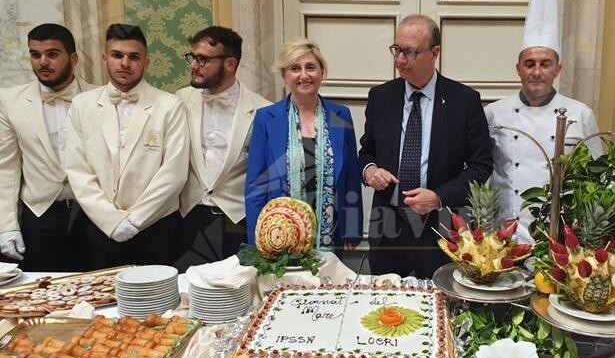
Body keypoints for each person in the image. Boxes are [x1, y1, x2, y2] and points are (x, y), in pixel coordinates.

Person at [358, 15, 493, 279]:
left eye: (410, 52)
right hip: (388, 228)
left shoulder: (464, 101)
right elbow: (366, 152)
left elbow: (481, 166)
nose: (399, 60)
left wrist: (439, 197)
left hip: (440, 230)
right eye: (396, 50)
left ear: (435, 53)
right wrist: (370, 171)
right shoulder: (381, 97)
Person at [66, 24, 190, 269]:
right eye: (117, 55)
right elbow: (78, 169)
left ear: (146, 62)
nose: (125, 63)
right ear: (105, 59)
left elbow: (174, 172)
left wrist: (136, 220)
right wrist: (110, 219)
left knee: (157, 303)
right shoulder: (82, 105)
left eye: (133, 57)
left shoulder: (169, 105)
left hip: (157, 227)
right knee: (103, 300)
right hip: (99, 226)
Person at [485, 0, 602, 243]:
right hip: (503, 232)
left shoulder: (580, 114)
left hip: (558, 234)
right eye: (529, 64)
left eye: (545, 64)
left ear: (557, 69)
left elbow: (597, 177)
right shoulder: (493, 113)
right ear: (518, 69)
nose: (536, 72)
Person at [245, 39, 362, 256]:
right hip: (278, 237)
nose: (304, 75)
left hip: (331, 235)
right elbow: (256, 185)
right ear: (284, 75)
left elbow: (351, 178)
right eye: (295, 68)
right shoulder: (266, 119)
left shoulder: (341, 115)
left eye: (310, 67)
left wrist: (353, 230)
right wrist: (256, 241)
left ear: (322, 72)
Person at [0, 23, 96, 271]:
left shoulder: (100, 97)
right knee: (44, 295)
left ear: (73, 58)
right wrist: (6, 225)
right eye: (35, 54)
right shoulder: (10, 101)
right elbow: (6, 168)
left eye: (52, 54)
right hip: (40, 214)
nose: (42, 62)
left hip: (95, 212)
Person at [174, 26, 271, 271]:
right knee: (190, 298)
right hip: (188, 218)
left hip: (237, 220)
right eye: (193, 57)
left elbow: (267, 174)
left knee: (239, 298)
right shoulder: (179, 101)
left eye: (203, 59)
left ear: (230, 64)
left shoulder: (263, 110)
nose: (194, 65)